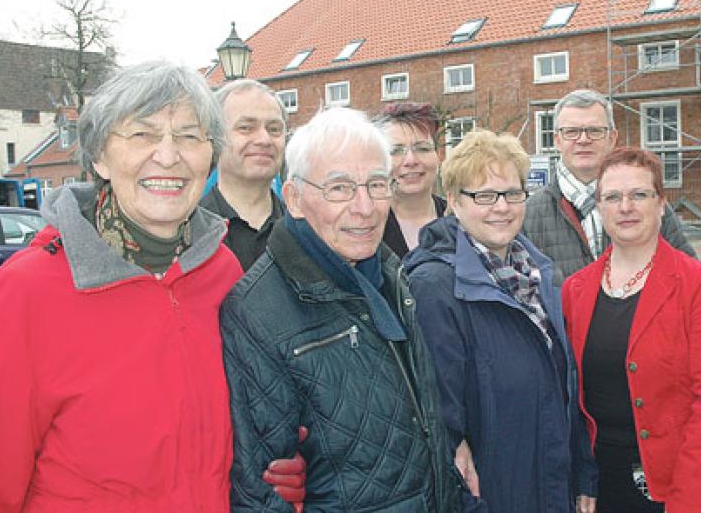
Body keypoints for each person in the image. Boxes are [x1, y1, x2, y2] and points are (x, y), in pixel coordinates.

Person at [0, 60, 297, 511]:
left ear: (210, 155)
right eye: (142, 134)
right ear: (101, 157)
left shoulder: (223, 272)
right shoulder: (25, 294)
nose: (168, 155)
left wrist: (282, 469)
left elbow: (254, 421)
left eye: (189, 136)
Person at [220, 106, 462, 512]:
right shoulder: (258, 311)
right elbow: (261, 491)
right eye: (340, 188)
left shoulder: (389, 274)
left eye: (377, 185)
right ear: (294, 198)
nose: (365, 207)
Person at [403, 129, 598, 513]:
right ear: (456, 203)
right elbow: (441, 424)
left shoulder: (538, 275)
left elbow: (563, 390)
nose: (502, 207)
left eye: (512, 193)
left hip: (548, 487)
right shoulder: (437, 286)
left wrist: (581, 476)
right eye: (485, 196)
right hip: (494, 495)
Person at [562, 147, 701, 512]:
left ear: (661, 203)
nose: (625, 207)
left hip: (681, 485)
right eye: (613, 197)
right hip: (600, 486)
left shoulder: (697, 283)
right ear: (599, 207)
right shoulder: (575, 290)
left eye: (639, 195)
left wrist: (689, 502)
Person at [523, 89, 695, 282]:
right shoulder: (528, 215)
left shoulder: (648, 203)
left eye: (594, 131)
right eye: (571, 132)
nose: (583, 140)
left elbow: (687, 277)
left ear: (612, 138)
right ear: (557, 140)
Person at [200, 79, 287, 271]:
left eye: (274, 129)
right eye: (246, 128)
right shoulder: (190, 236)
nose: (264, 139)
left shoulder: (303, 232)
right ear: (215, 138)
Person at [374, 102, 448, 257]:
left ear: (438, 155)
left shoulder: (462, 220)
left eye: (422, 148)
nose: (411, 160)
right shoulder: (366, 224)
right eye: (395, 151)